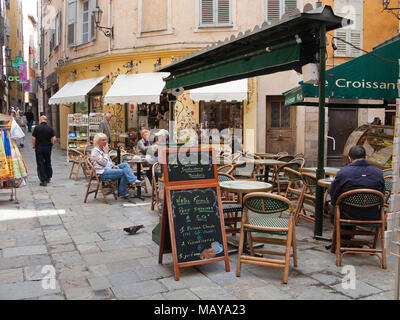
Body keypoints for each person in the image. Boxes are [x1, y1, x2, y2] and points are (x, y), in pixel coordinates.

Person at [327, 145, 385, 251]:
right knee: (339, 206)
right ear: (366, 157)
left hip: (348, 214)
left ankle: (343, 239)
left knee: (334, 207)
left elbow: (333, 193)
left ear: (349, 158)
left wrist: (335, 203)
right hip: (372, 214)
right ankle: (348, 239)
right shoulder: (378, 173)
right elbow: (382, 193)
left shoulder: (343, 172)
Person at [90, 133, 143, 199]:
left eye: (106, 140)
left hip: (108, 168)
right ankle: (127, 188)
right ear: (97, 141)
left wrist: (113, 166)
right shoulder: (95, 151)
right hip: (102, 172)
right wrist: (106, 153)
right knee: (124, 172)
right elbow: (103, 163)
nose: (105, 142)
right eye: (103, 140)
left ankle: (132, 181)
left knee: (125, 165)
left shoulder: (102, 149)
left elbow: (108, 161)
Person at [32, 116, 56, 186]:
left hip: (39, 147)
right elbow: (54, 139)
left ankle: (43, 179)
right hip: (47, 147)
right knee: (48, 161)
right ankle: (48, 176)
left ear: (41, 120)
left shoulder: (37, 128)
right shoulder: (50, 128)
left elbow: (33, 138)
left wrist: (34, 146)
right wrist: (51, 145)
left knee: (40, 163)